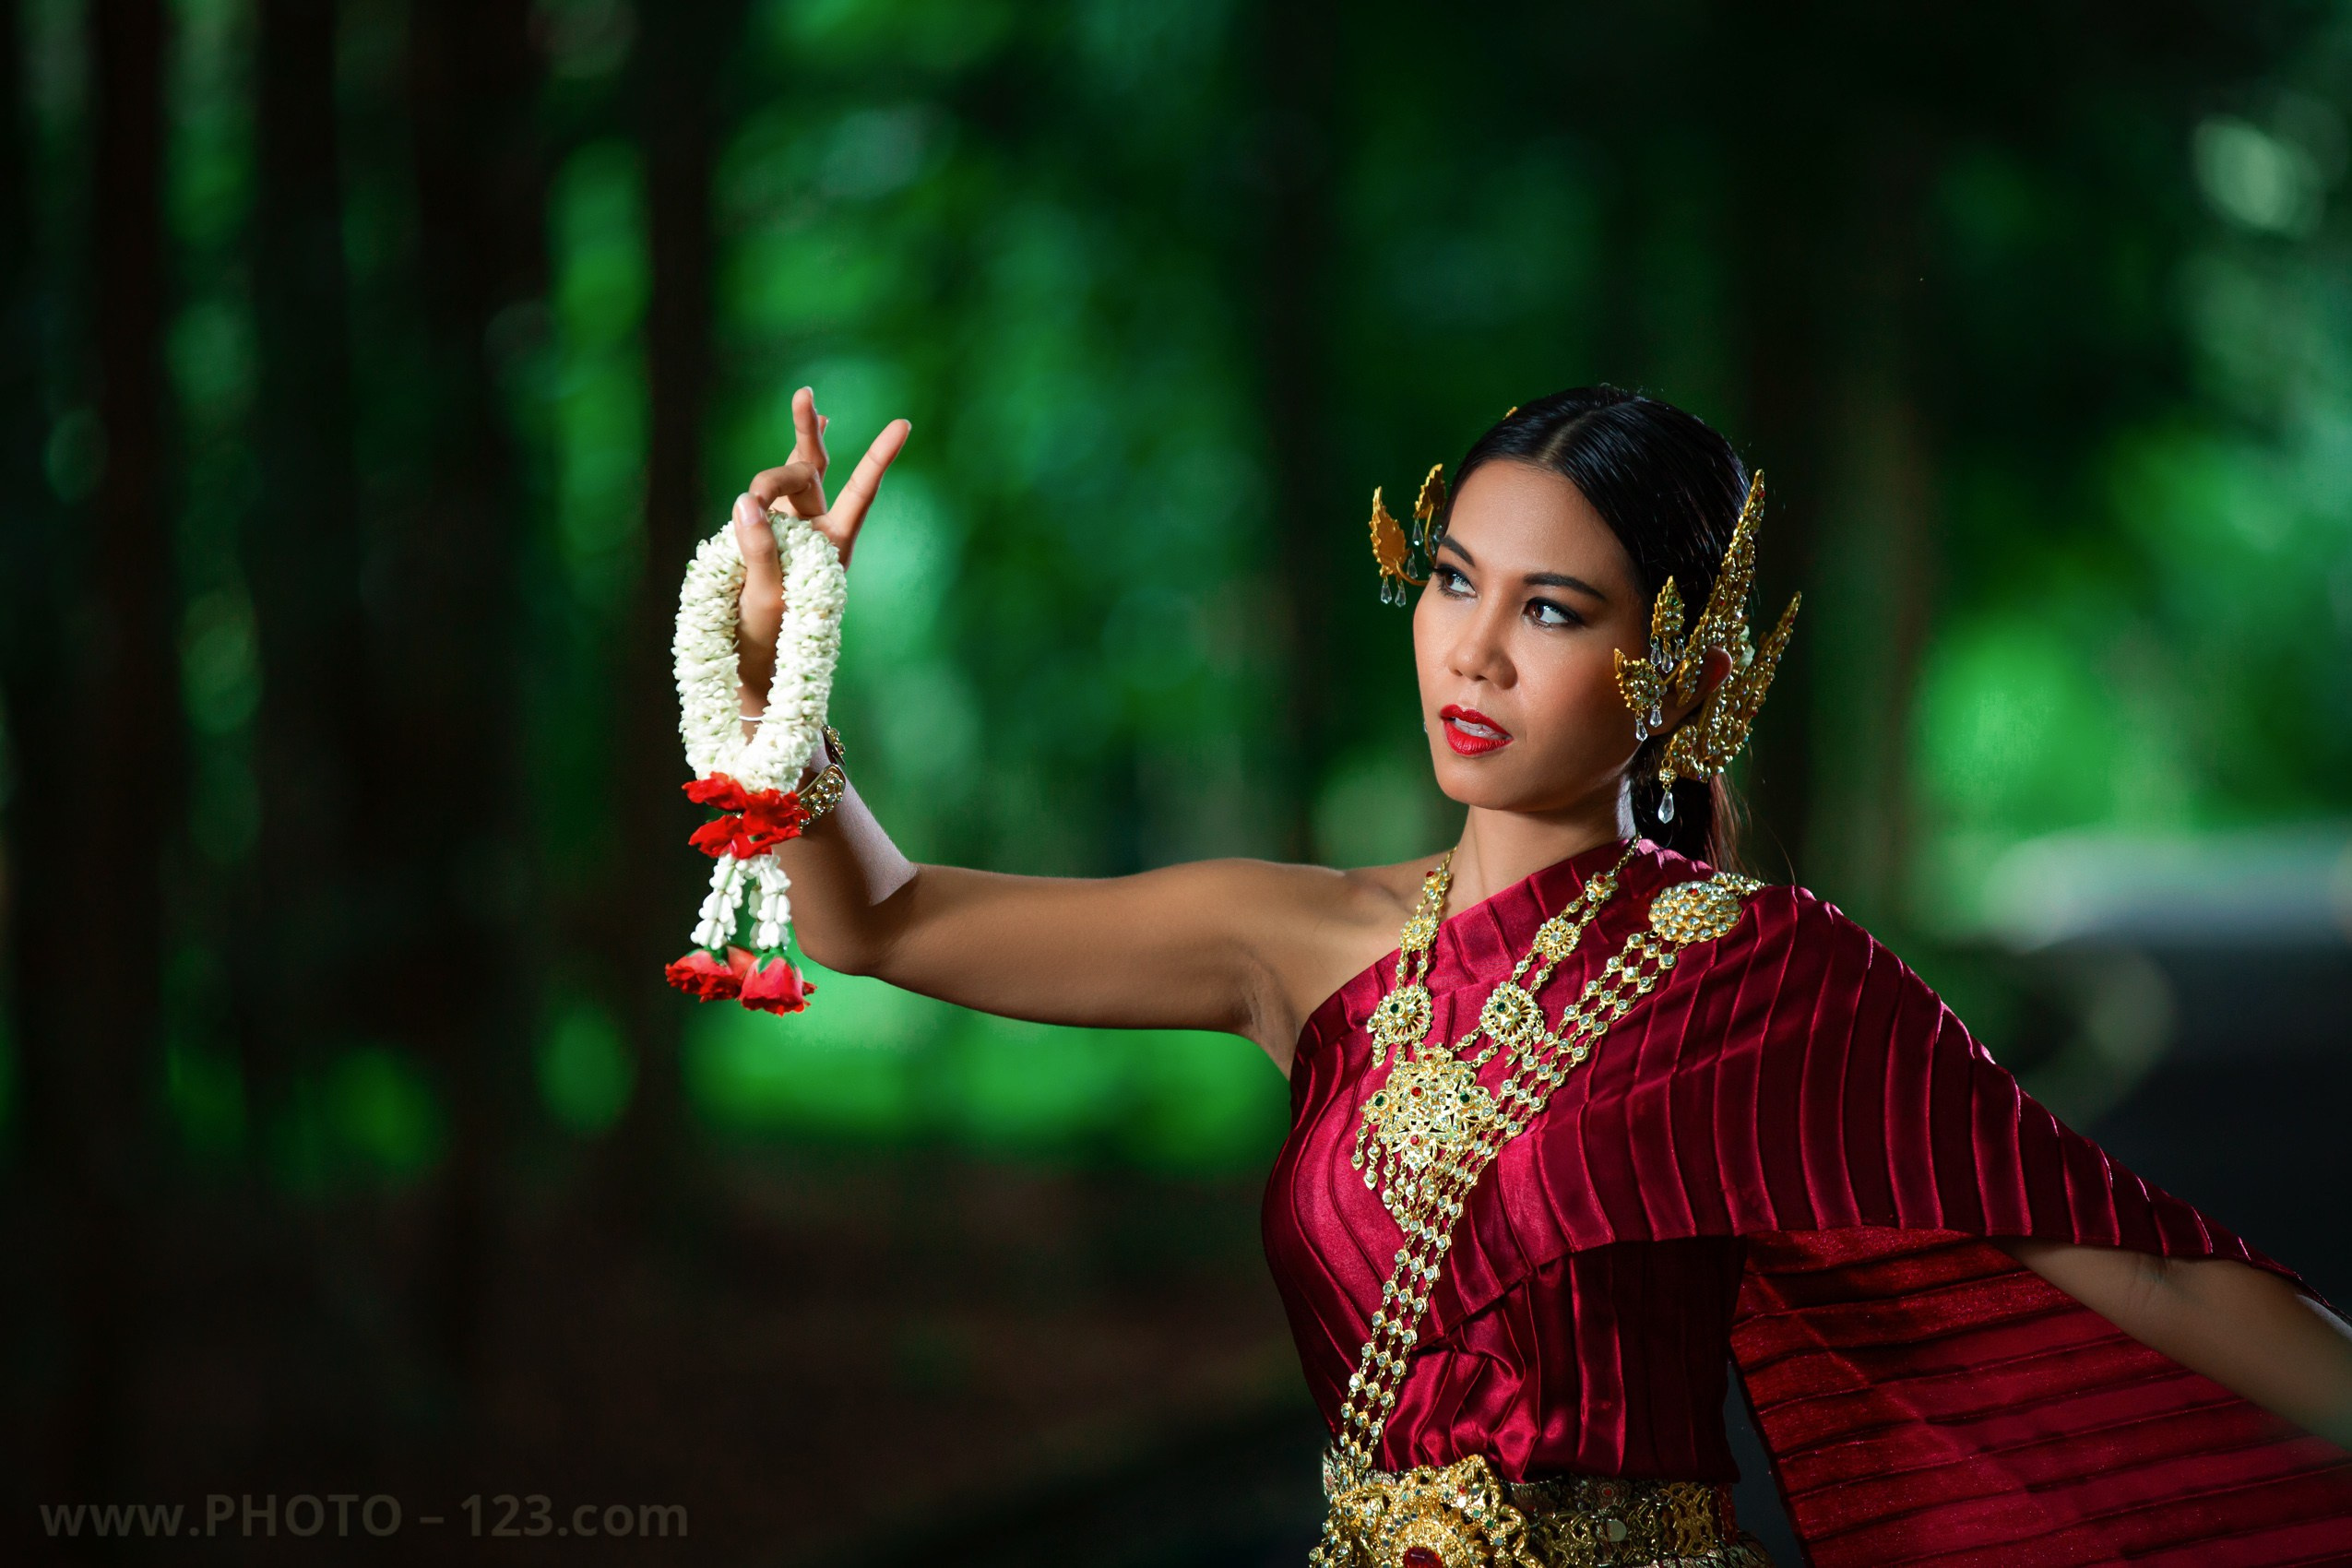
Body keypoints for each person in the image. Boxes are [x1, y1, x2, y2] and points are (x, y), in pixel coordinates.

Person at [719, 384, 2352, 1566]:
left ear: (1679, 665)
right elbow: (887, 922)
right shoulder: (1287, 940)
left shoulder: (1770, 976)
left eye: (1552, 609)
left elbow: (2142, 1273)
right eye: (1450, 579)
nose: (1474, 650)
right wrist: (772, 665)